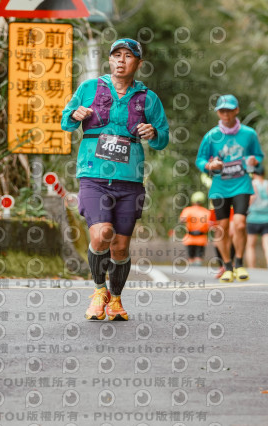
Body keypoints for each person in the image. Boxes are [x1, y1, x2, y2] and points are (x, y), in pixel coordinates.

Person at [61, 38, 169, 320]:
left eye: (128, 56)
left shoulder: (148, 98)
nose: (121, 60)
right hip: (93, 175)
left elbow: (163, 138)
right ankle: (99, 291)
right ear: (109, 60)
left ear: (139, 63)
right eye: (116, 55)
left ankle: (116, 299)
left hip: (129, 180)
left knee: (120, 247)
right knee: (102, 234)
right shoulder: (89, 88)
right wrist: (75, 114)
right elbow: (65, 121)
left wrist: (153, 133)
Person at [195, 94, 264, 283]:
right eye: (222, 110)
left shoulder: (249, 134)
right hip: (220, 187)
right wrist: (210, 165)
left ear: (237, 110)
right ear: (218, 112)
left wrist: (254, 161)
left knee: (240, 224)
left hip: (242, 184)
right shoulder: (211, 136)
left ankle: (239, 263)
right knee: (222, 227)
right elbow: (200, 159)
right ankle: (227, 266)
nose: (226, 114)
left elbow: (258, 155)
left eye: (230, 110)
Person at [246, 164, 268, 268]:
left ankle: (252, 267)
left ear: (254, 174)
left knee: (250, 245)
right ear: (263, 173)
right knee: (267, 243)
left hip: (252, 219)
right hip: (267, 219)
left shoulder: (252, 184)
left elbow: (250, 200)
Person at [179, 191, 211, 266]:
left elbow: (182, 220)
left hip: (190, 238)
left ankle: (192, 262)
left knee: (191, 259)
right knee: (198, 260)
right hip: (201, 238)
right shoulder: (207, 212)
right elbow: (210, 225)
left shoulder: (188, 210)